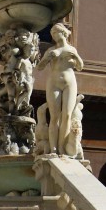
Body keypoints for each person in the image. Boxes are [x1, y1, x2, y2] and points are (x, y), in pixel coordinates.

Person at [37, 23, 84, 157]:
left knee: (67, 116)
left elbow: (80, 67)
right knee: (54, 116)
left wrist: (76, 57)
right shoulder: (51, 50)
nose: (53, 36)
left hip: (70, 82)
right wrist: (47, 58)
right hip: (54, 83)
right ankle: (53, 149)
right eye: (52, 34)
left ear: (63, 33)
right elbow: (40, 67)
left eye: (55, 33)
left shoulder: (71, 50)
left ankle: (62, 148)